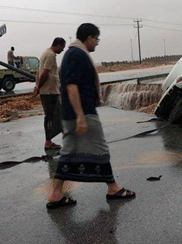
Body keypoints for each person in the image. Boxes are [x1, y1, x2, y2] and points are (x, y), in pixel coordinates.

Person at [46, 23, 136, 209]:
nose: (97, 43)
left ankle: (56, 193)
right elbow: (71, 86)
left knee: (70, 152)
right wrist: (80, 116)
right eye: (97, 39)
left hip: (76, 112)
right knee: (100, 148)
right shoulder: (76, 55)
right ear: (89, 38)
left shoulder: (74, 53)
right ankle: (113, 188)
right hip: (81, 112)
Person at [34, 37, 66, 150]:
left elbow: (38, 73)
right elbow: (44, 73)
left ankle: (63, 137)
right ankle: (48, 142)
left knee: (56, 115)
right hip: (49, 92)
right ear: (58, 45)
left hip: (49, 91)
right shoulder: (51, 55)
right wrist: (38, 87)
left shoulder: (44, 53)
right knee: (52, 116)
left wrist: (37, 86)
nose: (62, 50)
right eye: (62, 47)